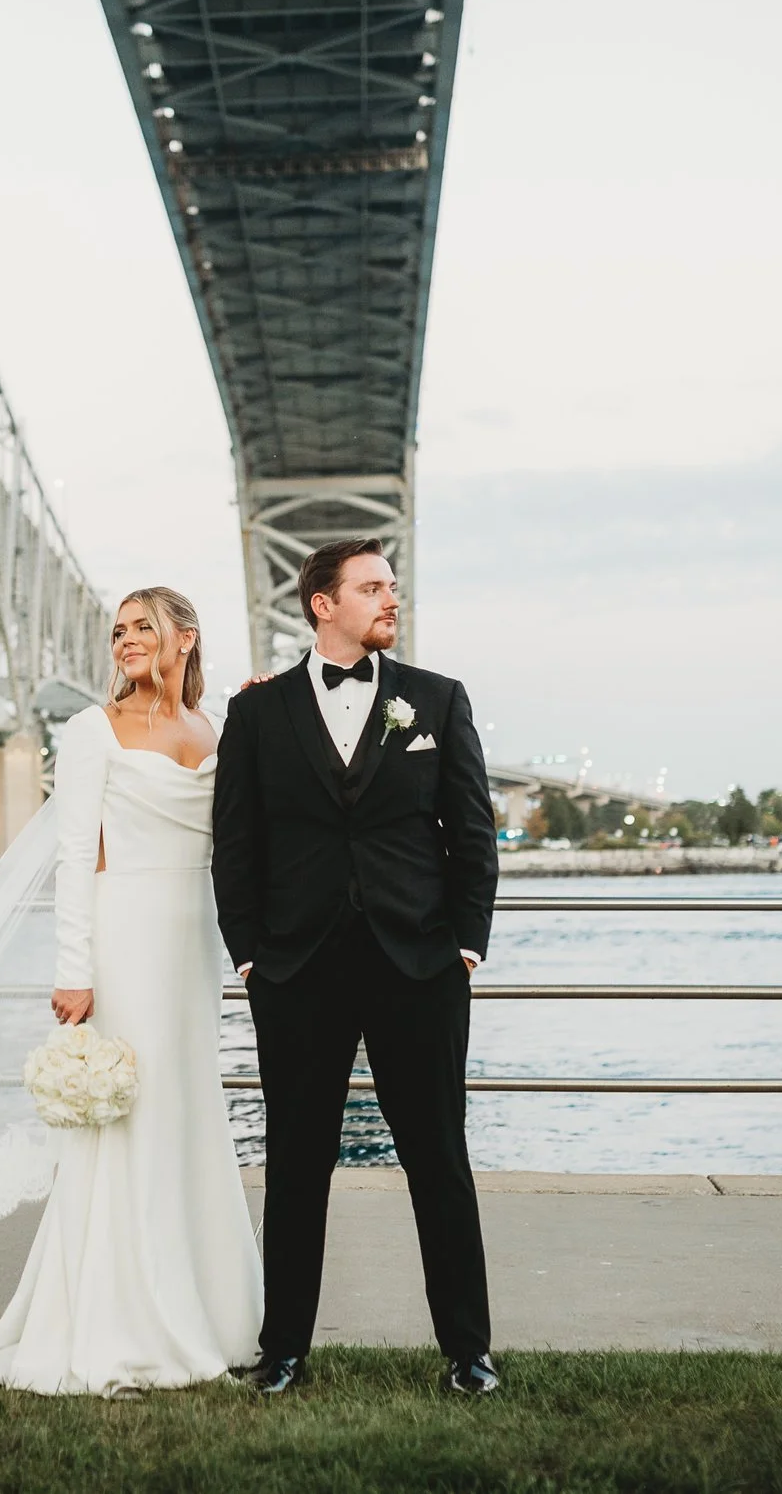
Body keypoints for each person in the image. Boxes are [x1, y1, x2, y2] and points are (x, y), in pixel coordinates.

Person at [0, 588, 264, 1394]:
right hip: (123, 939)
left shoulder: (216, 730)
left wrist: (268, 711)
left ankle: (206, 1311)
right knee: (130, 1119)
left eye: (142, 628)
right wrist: (74, 969)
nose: (125, 641)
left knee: (187, 1112)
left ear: (185, 639)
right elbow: (72, 857)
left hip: (191, 943)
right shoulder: (92, 730)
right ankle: (115, 1319)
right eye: (117, 630)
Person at [211, 538, 501, 1396]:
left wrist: (466, 942)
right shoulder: (257, 714)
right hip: (297, 970)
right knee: (297, 1163)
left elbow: (472, 833)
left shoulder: (437, 701)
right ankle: (285, 1351)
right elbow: (237, 843)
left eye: (393, 585)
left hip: (420, 963)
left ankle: (468, 1352)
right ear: (321, 604)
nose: (390, 597)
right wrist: (251, 953)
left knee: (438, 1157)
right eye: (371, 586)